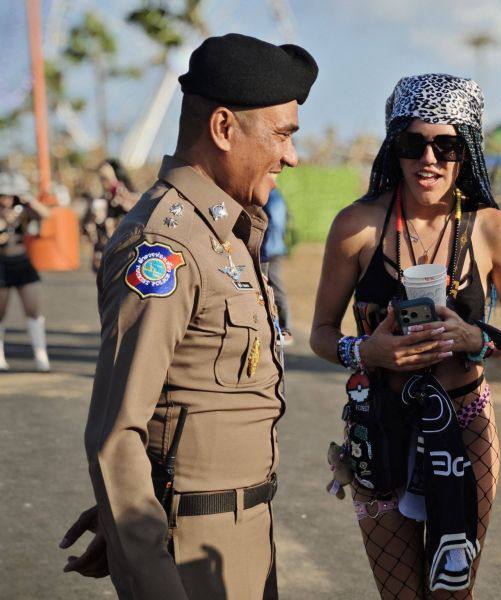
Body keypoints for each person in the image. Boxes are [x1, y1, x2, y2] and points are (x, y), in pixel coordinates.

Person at [58, 33, 318, 599]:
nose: (291, 155)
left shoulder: (223, 231)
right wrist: (145, 561)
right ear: (223, 128)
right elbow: (116, 432)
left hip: (241, 534)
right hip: (191, 548)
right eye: (282, 134)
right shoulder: (164, 245)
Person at [310, 73, 501, 599]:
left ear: (468, 151)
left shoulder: (495, 230)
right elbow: (320, 334)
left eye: (446, 145)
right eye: (412, 144)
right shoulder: (357, 226)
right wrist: (365, 351)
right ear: (394, 147)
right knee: (399, 594)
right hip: (379, 423)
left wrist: (476, 339)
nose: (428, 159)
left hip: (466, 423)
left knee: (451, 592)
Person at [0, 171, 51, 372]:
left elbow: (46, 214)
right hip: (1, 264)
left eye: (10, 195)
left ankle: (41, 355)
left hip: (22, 262)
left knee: (33, 309)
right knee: (1, 312)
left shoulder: (21, 210)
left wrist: (28, 198)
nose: (7, 199)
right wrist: (4, 221)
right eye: (3, 195)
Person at [260, 187, 293, 345]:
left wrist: (267, 244)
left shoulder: (271, 196)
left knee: (276, 287)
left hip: (270, 250)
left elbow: (276, 222)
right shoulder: (274, 195)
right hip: (271, 248)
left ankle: (285, 328)